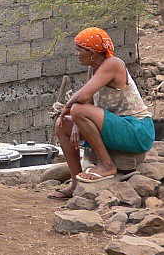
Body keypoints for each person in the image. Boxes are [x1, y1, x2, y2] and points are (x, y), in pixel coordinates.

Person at [49, 27, 154, 199]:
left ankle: (106, 165)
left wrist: (66, 108)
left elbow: (82, 96)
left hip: (137, 131)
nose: (76, 54)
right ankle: (76, 184)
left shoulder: (113, 64)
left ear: (92, 52)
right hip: (116, 127)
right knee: (62, 126)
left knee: (76, 110)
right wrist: (74, 123)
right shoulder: (93, 68)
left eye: (79, 49)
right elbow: (87, 101)